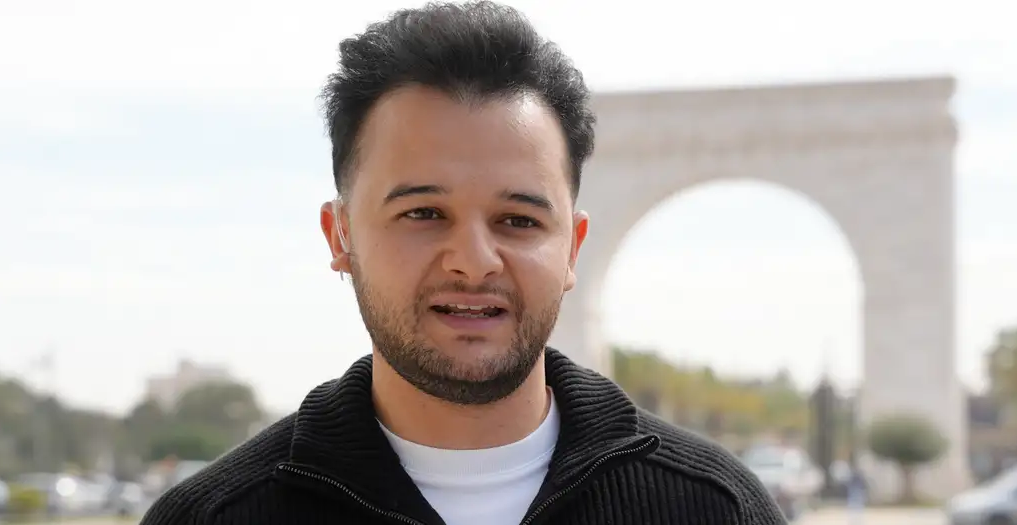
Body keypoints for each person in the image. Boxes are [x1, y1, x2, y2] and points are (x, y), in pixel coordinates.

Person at [140, 2, 786, 524]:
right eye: (424, 213)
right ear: (340, 235)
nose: (474, 263)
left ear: (572, 248)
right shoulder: (212, 517)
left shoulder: (717, 510)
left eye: (519, 220)